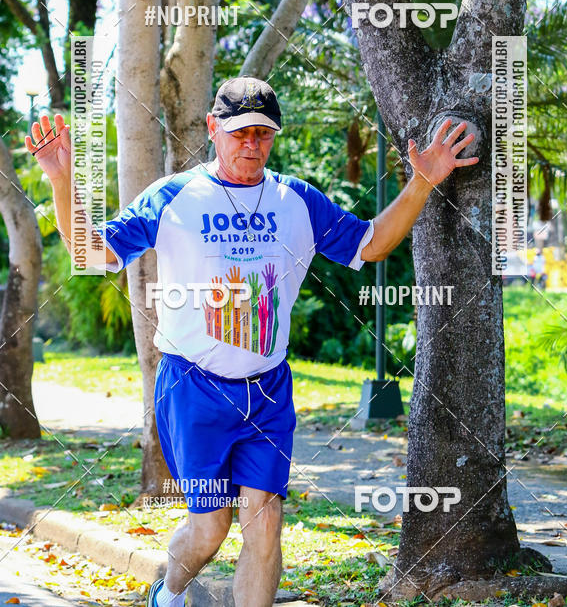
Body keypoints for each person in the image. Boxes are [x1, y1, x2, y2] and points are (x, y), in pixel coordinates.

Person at [26, 76, 478, 607]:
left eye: (262, 134)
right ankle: (168, 591)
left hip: (267, 389)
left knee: (265, 521)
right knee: (210, 528)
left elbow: (370, 243)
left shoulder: (296, 200)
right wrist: (61, 182)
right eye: (239, 132)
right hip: (194, 385)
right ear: (214, 130)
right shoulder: (175, 196)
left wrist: (422, 181)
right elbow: (92, 253)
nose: (251, 145)